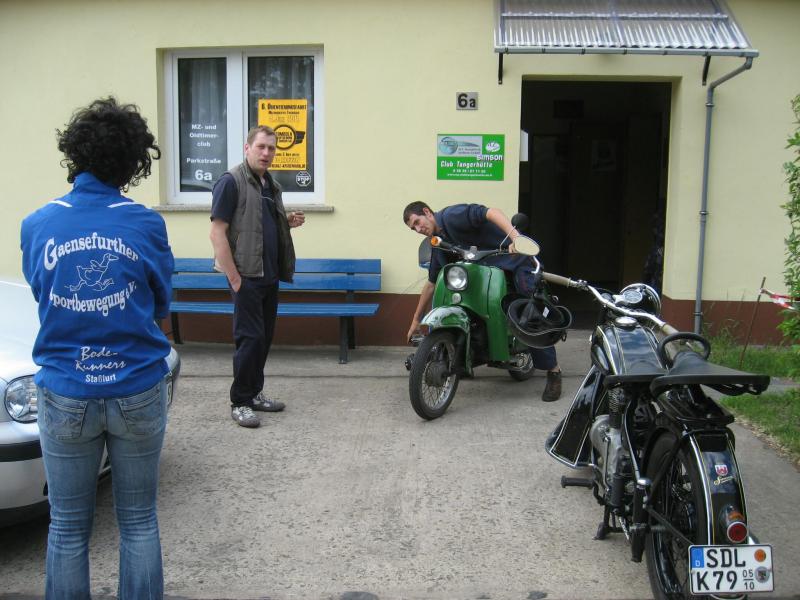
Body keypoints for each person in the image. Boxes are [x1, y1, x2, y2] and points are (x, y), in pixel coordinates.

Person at [20, 97, 173, 599]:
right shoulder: (144, 223)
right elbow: (161, 302)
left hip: (65, 388)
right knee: (139, 520)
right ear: (133, 162)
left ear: (75, 154)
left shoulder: (38, 223)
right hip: (136, 386)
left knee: (66, 526)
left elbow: (43, 293)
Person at [403, 201, 563, 402]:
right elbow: (431, 283)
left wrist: (516, 238)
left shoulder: (452, 216)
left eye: (417, 222)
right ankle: (463, 356)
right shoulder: (438, 242)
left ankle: (553, 371)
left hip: (514, 260)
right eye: (413, 228)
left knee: (530, 310)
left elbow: (491, 212)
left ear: (427, 212)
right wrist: (416, 320)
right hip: (484, 272)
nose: (418, 229)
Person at [209, 125, 306, 428]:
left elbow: (256, 223)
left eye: (271, 148)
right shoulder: (230, 182)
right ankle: (240, 401)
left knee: (263, 339)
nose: (266, 153)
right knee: (249, 340)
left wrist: (285, 220)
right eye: (261, 146)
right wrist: (235, 279)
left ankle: (254, 393)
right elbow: (217, 233)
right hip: (246, 276)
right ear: (247, 148)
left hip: (269, 275)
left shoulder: (269, 184)